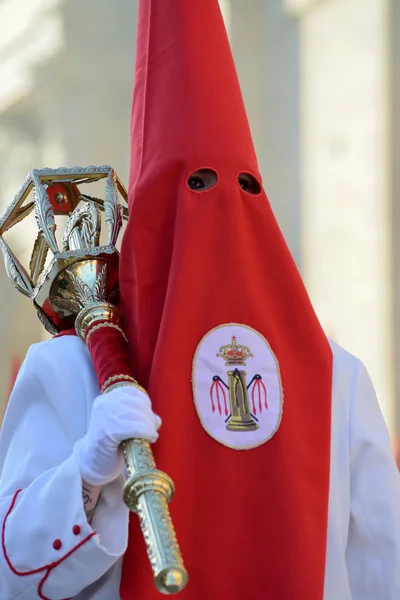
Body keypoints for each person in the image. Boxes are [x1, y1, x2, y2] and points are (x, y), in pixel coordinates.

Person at [1, 1, 400, 599]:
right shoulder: (68, 372)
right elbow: (11, 570)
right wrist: (84, 476)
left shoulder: (341, 382)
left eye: (242, 188)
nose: (215, 215)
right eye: (191, 188)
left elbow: (382, 569)